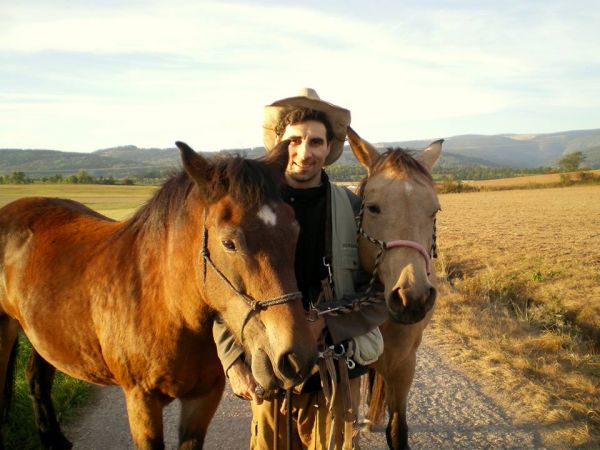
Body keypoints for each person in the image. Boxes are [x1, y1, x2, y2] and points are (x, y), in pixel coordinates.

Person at [212, 88, 388, 449]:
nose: (304, 152)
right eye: (294, 140)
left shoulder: (354, 210)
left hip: (336, 374)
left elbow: (380, 290)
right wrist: (232, 362)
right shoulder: (249, 209)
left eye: (315, 142)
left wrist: (328, 322)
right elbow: (223, 287)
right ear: (279, 144)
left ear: (329, 147)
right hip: (268, 371)